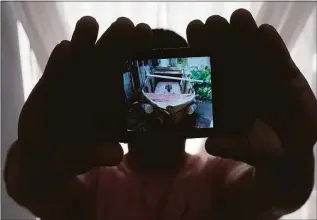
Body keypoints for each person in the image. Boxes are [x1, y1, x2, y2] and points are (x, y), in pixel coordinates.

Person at [4, 9, 317, 220]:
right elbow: (36, 190)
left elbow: (276, 194)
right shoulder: (96, 179)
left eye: (176, 88)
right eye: (152, 89)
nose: (164, 103)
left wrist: (291, 157)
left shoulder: (216, 175)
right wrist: (35, 156)